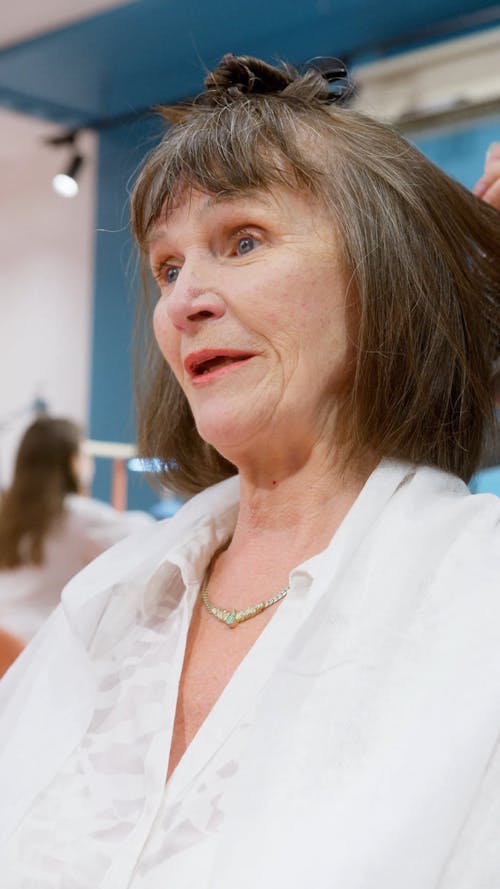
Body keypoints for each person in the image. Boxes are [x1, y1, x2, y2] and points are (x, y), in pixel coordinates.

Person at [0, 55, 499, 889]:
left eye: (243, 239)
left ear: (385, 271)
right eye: (167, 266)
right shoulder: (107, 601)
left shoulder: (476, 592)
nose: (184, 299)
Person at [0, 416, 153, 651]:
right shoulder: (75, 516)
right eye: (85, 455)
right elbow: (148, 536)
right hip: (38, 650)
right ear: (72, 461)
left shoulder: (7, 512)